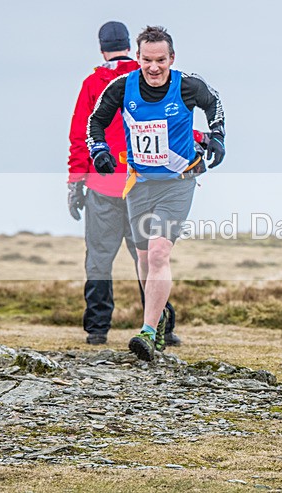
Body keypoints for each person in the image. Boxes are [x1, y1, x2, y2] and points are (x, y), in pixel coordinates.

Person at [87, 26, 226, 360]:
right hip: (139, 184)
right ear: (138, 58)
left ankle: (147, 332)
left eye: (160, 60)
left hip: (178, 183)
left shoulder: (188, 85)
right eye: (147, 60)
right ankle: (160, 315)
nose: (153, 67)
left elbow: (215, 104)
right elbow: (96, 121)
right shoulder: (122, 87)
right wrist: (100, 151)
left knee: (160, 253)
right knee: (146, 259)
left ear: (171, 58)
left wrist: (217, 137)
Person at [68, 21, 183, 347]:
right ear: (131, 49)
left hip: (103, 187)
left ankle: (97, 330)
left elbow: (81, 135)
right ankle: (162, 327)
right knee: (150, 259)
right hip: (145, 184)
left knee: (100, 259)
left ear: (102, 47)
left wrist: (76, 181)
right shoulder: (148, 77)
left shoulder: (93, 83)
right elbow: (173, 125)